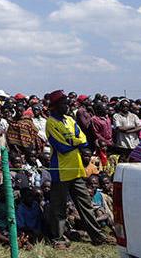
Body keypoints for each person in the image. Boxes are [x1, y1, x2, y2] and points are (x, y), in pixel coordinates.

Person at [45, 90, 107, 248]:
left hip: (77, 169)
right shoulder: (51, 123)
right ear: (56, 106)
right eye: (64, 103)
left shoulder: (70, 120)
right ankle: (58, 239)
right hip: (60, 171)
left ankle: (97, 236)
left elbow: (84, 140)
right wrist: (76, 142)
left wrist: (74, 141)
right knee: (59, 207)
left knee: (85, 204)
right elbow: (62, 147)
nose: (67, 106)